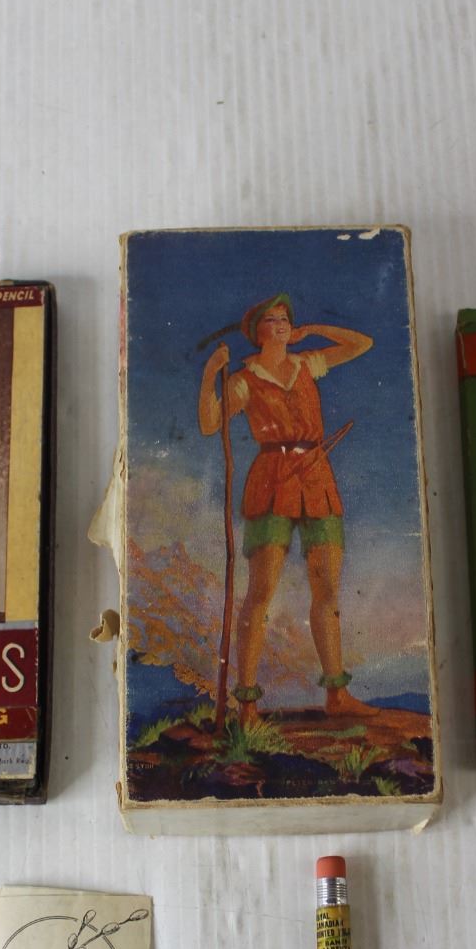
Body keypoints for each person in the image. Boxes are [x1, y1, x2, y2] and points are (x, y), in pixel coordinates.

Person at [198, 294, 374, 719]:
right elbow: (209, 424)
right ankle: (247, 702)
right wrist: (210, 375)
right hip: (271, 481)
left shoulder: (308, 363)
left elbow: (361, 344)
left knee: (327, 589)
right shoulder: (244, 380)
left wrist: (313, 330)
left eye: (285, 319)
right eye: (271, 319)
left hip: (317, 478)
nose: (279, 324)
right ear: (256, 331)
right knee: (261, 592)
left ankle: (337, 695)